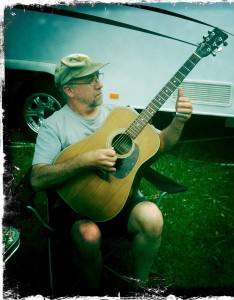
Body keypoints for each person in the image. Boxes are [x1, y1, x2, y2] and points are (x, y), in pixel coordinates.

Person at [30, 53, 193, 294]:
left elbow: (159, 143)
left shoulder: (121, 115)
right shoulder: (53, 125)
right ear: (69, 90)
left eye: (98, 76)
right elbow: (37, 179)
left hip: (121, 199)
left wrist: (178, 121)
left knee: (152, 217)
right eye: (90, 80)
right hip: (78, 208)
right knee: (88, 235)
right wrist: (84, 160)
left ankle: (140, 288)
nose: (100, 84)